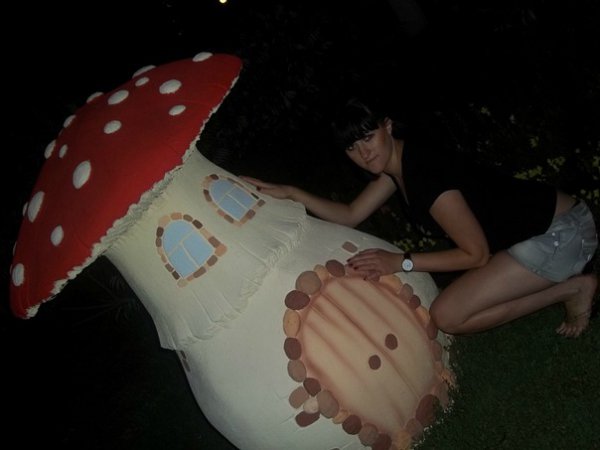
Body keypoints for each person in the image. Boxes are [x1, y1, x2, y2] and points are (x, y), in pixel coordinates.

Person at [241, 98, 598, 338]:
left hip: (561, 232)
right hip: (535, 234)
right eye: (352, 147)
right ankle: (571, 284)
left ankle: (573, 288)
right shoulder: (396, 165)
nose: (364, 153)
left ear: (387, 125)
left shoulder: (425, 174)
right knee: (454, 309)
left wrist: (400, 262)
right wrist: (293, 193)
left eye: (368, 137)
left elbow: (475, 255)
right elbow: (350, 214)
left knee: (448, 316)